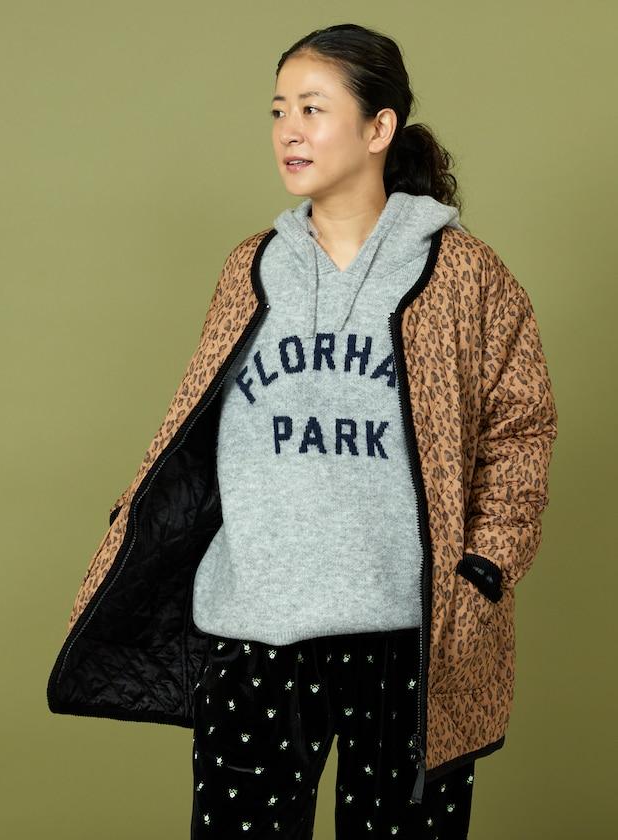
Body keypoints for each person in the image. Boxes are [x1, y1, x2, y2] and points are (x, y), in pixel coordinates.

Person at [47, 23, 558, 840]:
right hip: (254, 627)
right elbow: (193, 423)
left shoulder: (465, 275)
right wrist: (138, 516)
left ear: (379, 127)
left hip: (409, 636)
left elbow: (521, 426)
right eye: (279, 110)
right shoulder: (251, 267)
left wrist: (487, 563)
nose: (289, 129)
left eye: (313, 109)